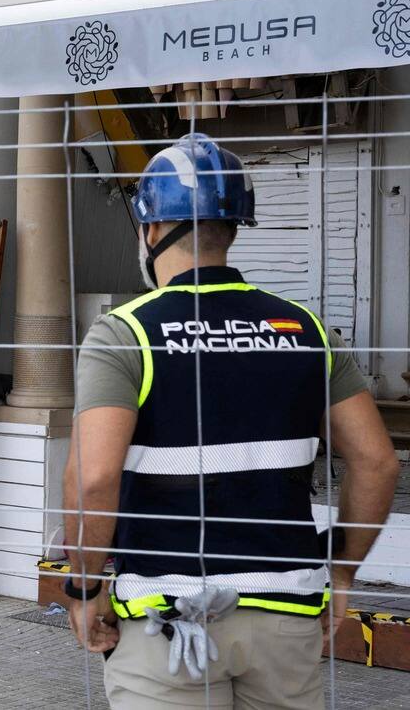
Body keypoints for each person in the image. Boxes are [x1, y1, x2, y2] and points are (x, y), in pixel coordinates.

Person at [63, 133, 398, 709]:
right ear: (234, 228)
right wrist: (341, 574)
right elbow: (377, 462)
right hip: (285, 615)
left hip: (168, 624)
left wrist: (85, 585)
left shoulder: (126, 333)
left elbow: (93, 480)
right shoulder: (306, 330)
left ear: (150, 230)